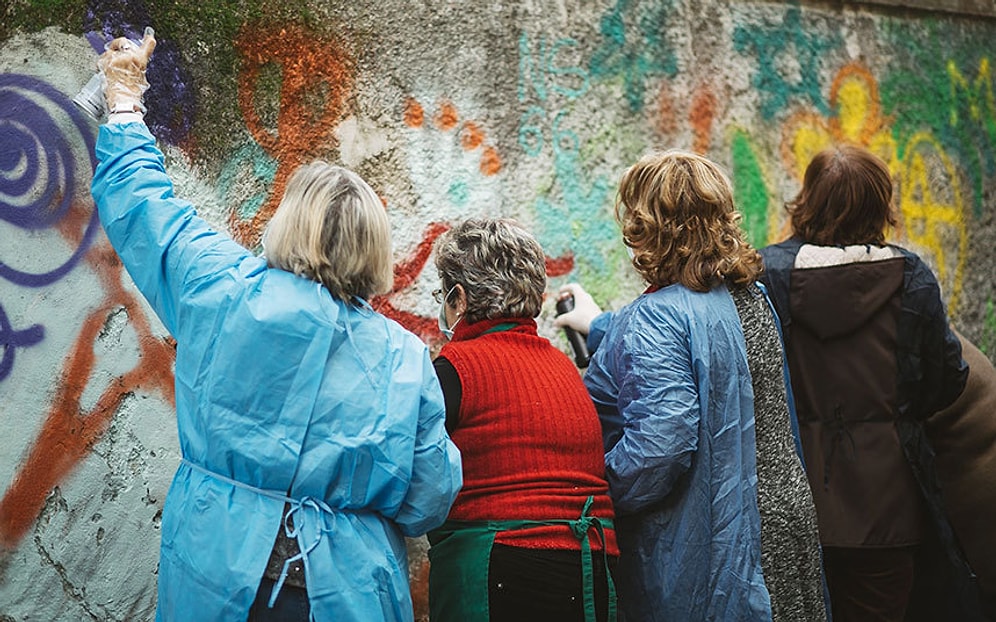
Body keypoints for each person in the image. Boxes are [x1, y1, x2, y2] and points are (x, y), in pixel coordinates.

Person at [89, 32, 462, 622]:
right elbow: (428, 500)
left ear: (289, 221)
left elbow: (144, 207)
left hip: (220, 576)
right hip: (348, 595)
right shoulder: (405, 358)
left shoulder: (221, 288)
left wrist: (124, 97)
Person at [555, 150, 827, 621]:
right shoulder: (751, 296)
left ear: (648, 229)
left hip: (724, 540)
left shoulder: (655, 318)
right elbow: (705, 350)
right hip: (785, 516)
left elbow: (661, 446)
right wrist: (601, 326)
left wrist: (596, 489)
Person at [758, 144, 976, 621]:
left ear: (807, 199)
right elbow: (948, 380)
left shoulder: (766, 277)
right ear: (881, 205)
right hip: (887, 508)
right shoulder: (910, 278)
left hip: (791, 507)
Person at [427, 218, 618, 622]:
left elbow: (413, 468)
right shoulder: (564, 367)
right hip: (592, 568)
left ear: (459, 299)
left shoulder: (456, 367)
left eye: (443, 294)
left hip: (502, 567)